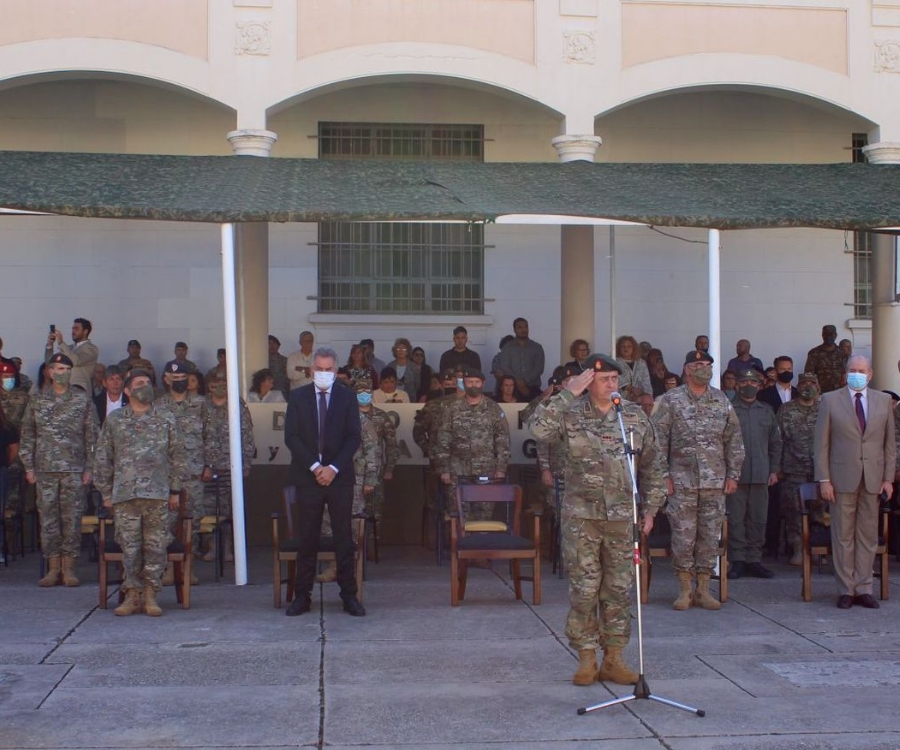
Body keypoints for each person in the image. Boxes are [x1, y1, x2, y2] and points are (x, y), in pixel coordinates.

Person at [529, 354, 666, 686]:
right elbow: (537, 428)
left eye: (615, 379)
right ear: (589, 381)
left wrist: (650, 511)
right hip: (582, 518)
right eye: (605, 379)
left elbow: (653, 466)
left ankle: (614, 658)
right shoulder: (570, 413)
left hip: (622, 517)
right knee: (585, 590)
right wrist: (567, 393)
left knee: (618, 590)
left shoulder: (631, 415)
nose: (612, 384)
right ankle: (587, 657)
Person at [652, 350, 744, 611]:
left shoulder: (721, 399)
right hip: (682, 482)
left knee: (709, 537)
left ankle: (703, 589)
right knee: (683, 537)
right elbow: (658, 441)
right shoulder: (671, 400)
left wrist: (733, 475)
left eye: (708, 365)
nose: (705, 369)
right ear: (687, 369)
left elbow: (734, 439)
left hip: (715, 482)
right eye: (699, 364)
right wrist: (663, 476)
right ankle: (684, 589)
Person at [93, 368, 186, 616]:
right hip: (125, 496)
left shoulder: (165, 418)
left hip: (157, 494)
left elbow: (177, 456)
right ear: (127, 390)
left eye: (147, 382)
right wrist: (105, 492)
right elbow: (103, 458)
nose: (144, 386)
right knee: (130, 547)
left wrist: (175, 490)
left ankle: (151, 595)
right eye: (138, 383)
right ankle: (132, 595)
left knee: (156, 547)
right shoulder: (115, 420)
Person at [283, 346, 365, 617]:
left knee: (344, 538)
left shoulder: (347, 397)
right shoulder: (297, 397)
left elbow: (354, 436)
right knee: (308, 538)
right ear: (311, 370)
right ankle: (301, 597)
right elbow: (291, 437)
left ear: (336, 371)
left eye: (329, 369)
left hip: (339, 479)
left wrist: (333, 468)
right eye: (319, 369)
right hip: (308, 477)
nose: (324, 373)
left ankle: (349, 596)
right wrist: (317, 467)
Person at [813, 355, 895, 609]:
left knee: (868, 535)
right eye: (852, 370)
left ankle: (864, 588)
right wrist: (824, 479)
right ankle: (845, 589)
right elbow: (821, 444)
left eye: (861, 370)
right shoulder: (830, 400)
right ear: (845, 373)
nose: (856, 374)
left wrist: (888, 479)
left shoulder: (883, 401)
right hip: (841, 479)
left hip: (873, 479)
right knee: (842, 535)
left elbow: (889, 445)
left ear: (870, 375)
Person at [19, 353, 99, 587]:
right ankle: (53, 568)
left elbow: (92, 436)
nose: (62, 373)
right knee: (49, 520)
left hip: (74, 470)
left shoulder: (82, 400)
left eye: (66, 369)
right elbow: (28, 435)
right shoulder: (37, 401)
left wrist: (90, 467)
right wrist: (29, 466)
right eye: (58, 368)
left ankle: (70, 568)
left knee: (72, 520)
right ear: (50, 372)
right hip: (45, 470)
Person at [433, 367, 510, 521]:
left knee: (485, 513)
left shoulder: (494, 408)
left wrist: (501, 468)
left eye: (477, 382)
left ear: (483, 383)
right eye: (469, 382)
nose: (473, 385)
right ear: (464, 384)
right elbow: (443, 439)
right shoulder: (452, 409)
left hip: (486, 470)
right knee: (459, 513)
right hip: (457, 470)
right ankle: (461, 544)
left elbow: (502, 439)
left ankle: (480, 543)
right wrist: (444, 469)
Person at [727, 370, 782, 580]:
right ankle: (738, 560)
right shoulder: (729, 410)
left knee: (758, 519)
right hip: (736, 475)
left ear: (760, 386)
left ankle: (754, 559)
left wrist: (774, 469)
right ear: (737, 385)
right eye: (744, 381)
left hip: (761, 473)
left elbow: (776, 442)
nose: (749, 384)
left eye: (753, 381)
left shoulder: (766, 411)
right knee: (736, 519)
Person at [157, 360, 208, 573]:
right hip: (166, 477)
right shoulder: (157, 406)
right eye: (175, 378)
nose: (179, 381)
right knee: (165, 524)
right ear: (167, 379)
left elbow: (210, 436)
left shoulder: (201, 404)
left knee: (191, 524)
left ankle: (187, 571)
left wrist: (209, 466)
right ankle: (169, 568)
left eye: (183, 378)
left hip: (193, 473)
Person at [201, 371, 255, 563]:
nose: (220, 386)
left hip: (232, 466)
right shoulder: (201, 405)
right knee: (209, 509)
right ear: (209, 386)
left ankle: (229, 547)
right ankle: (212, 547)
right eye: (216, 382)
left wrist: (245, 463)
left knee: (230, 509)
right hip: (206, 467)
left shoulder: (237, 404)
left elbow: (247, 434)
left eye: (224, 381)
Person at [776, 372, 821, 566]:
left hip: (820, 472)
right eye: (804, 383)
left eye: (812, 382)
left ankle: (818, 549)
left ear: (818, 387)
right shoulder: (786, 410)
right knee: (794, 511)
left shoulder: (825, 410)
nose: (807, 386)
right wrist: (776, 468)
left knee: (819, 511)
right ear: (797, 387)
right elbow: (777, 441)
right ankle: (798, 548)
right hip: (793, 470)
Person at [44, 318, 99, 394]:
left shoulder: (91, 349)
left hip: (80, 392)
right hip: (64, 390)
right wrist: (50, 345)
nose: (73, 331)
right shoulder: (68, 348)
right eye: (72, 329)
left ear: (85, 331)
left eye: (76, 329)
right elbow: (50, 363)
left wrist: (61, 342)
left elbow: (76, 361)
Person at [496, 318, 545, 400]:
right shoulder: (507, 348)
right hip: (513, 390)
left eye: (526, 327)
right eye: (520, 327)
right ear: (514, 330)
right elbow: (505, 367)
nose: (523, 330)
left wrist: (525, 381)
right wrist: (518, 382)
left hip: (533, 388)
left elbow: (539, 368)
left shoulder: (537, 347)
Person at [804, 325, 845, 394]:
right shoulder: (814, 353)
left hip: (839, 392)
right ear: (822, 335)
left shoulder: (842, 353)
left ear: (836, 335)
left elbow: (847, 372)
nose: (828, 337)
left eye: (831, 334)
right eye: (826, 334)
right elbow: (809, 375)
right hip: (821, 392)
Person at [614, 335, 652, 399]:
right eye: (623, 346)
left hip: (639, 398)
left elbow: (646, 381)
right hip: (621, 399)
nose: (626, 349)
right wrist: (629, 388)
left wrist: (643, 393)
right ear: (618, 348)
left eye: (629, 346)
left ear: (633, 348)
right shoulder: (614, 361)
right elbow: (615, 378)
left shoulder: (641, 363)